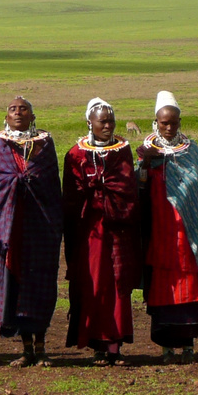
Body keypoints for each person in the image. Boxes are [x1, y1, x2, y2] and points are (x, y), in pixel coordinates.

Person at [0, 95, 63, 367]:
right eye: (13, 109)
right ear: (5, 117)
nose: (18, 113)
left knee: (39, 284)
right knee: (16, 285)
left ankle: (41, 347)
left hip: (39, 227)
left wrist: (29, 180)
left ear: (32, 115)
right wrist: (15, 183)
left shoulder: (45, 144)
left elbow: (51, 183)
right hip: (10, 230)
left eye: (24, 109)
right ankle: (26, 348)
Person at [136, 91, 198, 364]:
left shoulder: (190, 151)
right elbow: (139, 191)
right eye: (164, 123)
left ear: (180, 122)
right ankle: (166, 347)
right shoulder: (147, 151)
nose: (169, 128)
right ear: (155, 122)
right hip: (160, 234)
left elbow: (197, 191)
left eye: (174, 123)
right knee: (163, 288)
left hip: (188, 235)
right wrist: (145, 165)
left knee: (190, 287)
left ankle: (189, 345)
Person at [64, 98, 141, 365]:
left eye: (111, 120)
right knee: (93, 283)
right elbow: (71, 197)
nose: (108, 125)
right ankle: (97, 344)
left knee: (118, 285)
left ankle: (115, 347)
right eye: (102, 121)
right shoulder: (75, 154)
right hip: (90, 231)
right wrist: (92, 193)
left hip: (117, 229)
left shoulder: (123, 150)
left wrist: (104, 192)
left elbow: (127, 187)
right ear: (90, 123)